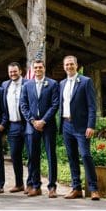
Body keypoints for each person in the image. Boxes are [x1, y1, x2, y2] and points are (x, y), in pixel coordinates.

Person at [59, 55, 100, 200]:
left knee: (85, 155)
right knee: (72, 157)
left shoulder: (85, 81)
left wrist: (91, 125)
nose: (69, 67)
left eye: (71, 64)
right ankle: (76, 188)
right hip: (66, 125)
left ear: (76, 66)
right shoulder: (62, 83)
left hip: (82, 127)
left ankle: (94, 189)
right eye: (66, 65)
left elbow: (92, 106)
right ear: (64, 67)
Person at [20, 59, 61, 197]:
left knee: (51, 156)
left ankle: (52, 187)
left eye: (40, 67)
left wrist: (43, 121)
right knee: (33, 157)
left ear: (44, 68)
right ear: (33, 69)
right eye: (35, 67)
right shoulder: (27, 85)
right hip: (32, 127)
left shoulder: (53, 84)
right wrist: (33, 121)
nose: (37, 70)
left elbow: (55, 105)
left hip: (47, 125)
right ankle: (36, 186)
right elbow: (23, 105)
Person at [3, 63, 28, 193]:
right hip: (13, 125)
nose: (13, 74)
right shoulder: (5, 85)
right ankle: (19, 184)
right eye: (10, 72)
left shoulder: (28, 84)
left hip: (27, 124)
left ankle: (32, 184)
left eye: (15, 71)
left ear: (20, 71)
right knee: (14, 155)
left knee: (31, 155)